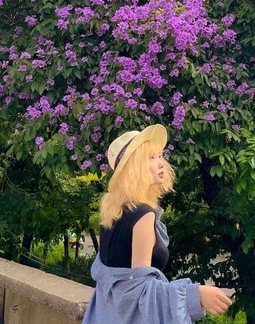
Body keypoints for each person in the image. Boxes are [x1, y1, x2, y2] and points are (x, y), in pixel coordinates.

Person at [83, 124, 232, 323]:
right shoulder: (143, 214)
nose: (161, 163)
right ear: (134, 168)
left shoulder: (113, 209)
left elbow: (116, 282)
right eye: (151, 157)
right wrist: (195, 295)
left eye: (160, 156)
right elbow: (139, 290)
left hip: (103, 316)